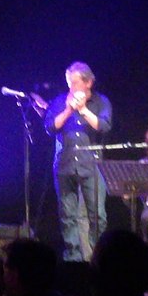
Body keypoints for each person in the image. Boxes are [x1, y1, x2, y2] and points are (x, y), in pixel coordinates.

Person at [44, 61, 112, 262]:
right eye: (69, 83)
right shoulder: (60, 101)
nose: (71, 87)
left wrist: (83, 110)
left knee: (97, 215)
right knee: (68, 215)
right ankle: (73, 258)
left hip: (92, 165)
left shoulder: (100, 102)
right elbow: (50, 127)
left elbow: (104, 126)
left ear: (88, 82)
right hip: (64, 164)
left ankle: (98, 257)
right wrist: (68, 110)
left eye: (75, 83)